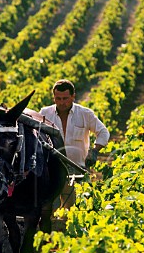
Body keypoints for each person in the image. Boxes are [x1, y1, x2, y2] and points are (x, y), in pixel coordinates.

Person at [39, 79, 110, 207]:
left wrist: (94, 151)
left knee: (72, 211)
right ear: (53, 97)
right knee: (48, 212)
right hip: (51, 171)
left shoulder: (85, 114)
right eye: (58, 98)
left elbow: (103, 132)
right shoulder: (45, 113)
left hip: (76, 170)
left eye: (65, 98)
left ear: (73, 97)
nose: (62, 102)